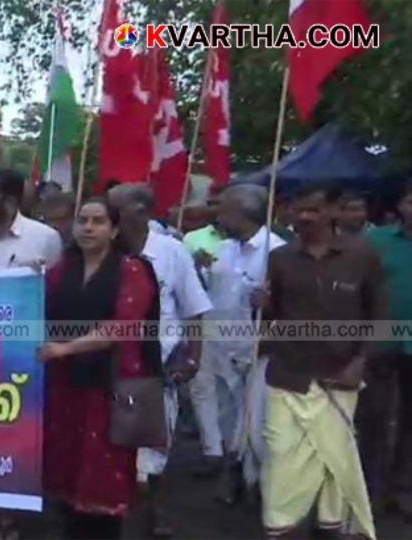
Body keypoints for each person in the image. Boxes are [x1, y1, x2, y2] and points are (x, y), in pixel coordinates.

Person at [259, 182, 385, 539]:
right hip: (288, 376)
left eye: (313, 209)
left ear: (333, 212)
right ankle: (279, 525)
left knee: (334, 458)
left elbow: (379, 314)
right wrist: (262, 306)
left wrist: (361, 360)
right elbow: (273, 318)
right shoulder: (280, 258)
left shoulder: (362, 255)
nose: (304, 216)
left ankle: (331, 526)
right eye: (299, 209)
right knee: (280, 453)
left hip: (338, 376)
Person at [39, 198, 162, 540]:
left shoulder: (132, 269)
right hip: (64, 385)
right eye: (82, 221)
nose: (88, 228)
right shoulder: (62, 270)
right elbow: (37, 309)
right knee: (66, 476)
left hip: (109, 389)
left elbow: (123, 326)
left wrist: (66, 347)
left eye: (98, 221)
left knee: (102, 484)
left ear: (115, 229)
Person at [106, 184, 212, 538]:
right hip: (108, 369)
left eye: (116, 208)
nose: (110, 214)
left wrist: (193, 358)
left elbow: (194, 309)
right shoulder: (102, 250)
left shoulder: (172, 252)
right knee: (114, 455)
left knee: (150, 461)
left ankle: (152, 518)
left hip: (158, 371)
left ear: (142, 211)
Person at [189, 185, 285, 492]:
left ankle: (256, 482)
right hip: (218, 344)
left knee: (255, 420)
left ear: (242, 213)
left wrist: (269, 304)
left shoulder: (275, 251)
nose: (217, 216)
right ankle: (231, 468)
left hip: (255, 347)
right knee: (226, 413)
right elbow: (217, 291)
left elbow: (289, 303)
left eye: (223, 210)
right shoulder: (226, 249)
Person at [364, 179, 412, 515]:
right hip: (380, 341)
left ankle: (404, 488)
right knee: (373, 416)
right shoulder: (375, 241)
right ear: (400, 206)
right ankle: (368, 488)